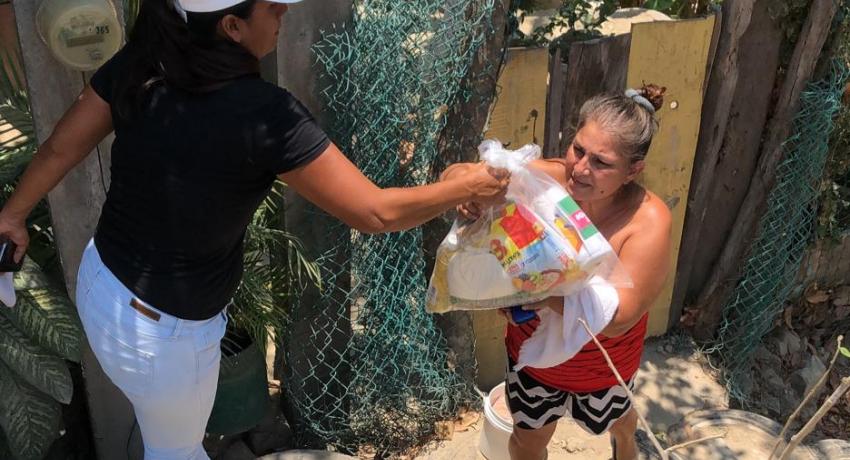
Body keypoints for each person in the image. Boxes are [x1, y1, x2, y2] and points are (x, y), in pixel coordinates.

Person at [0, 1, 509, 458]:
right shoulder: (263, 114)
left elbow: (60, 149)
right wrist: (472, 186)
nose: (284, 12)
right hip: (163, 334)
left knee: (165, 433)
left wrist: (12, 215)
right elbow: (375, 213)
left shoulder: (145, 60)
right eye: (274, 7)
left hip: (101, 283)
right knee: (174, 450)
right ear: (231, 25)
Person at [443, 84, 672, 460]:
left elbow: (618, 318)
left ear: (633, 171)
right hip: (533, 357)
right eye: (578, 150)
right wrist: (465, 194)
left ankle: (626, 444)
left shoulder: (647, 220)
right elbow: (457, 174)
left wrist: (533, 293)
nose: (580, 169)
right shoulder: (543, 178)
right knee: (526, 442)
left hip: (602, 365)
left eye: (601, 163)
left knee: (618, 420)